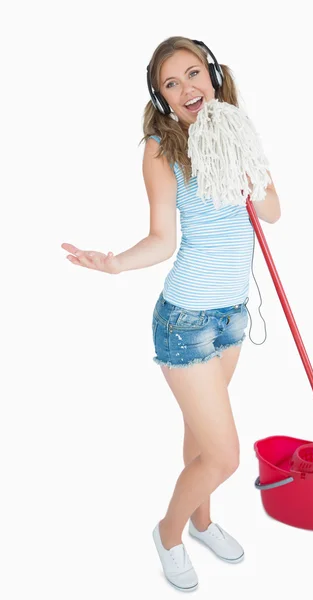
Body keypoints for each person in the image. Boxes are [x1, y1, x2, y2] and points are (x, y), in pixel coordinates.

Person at [61, 36, 281, 593]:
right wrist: (112, 264)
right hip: (186, 322)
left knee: (202, 439)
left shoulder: (236, 131)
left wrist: (242, 159)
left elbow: (273, 212)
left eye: (192, 75)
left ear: (212, 75)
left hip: (232, 315)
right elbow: (163, 240)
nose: (186, 89)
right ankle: (169, 533)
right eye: (170, 84)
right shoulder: (162, 147)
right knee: (226, 456)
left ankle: (203, 522)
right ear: (161, 99)